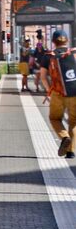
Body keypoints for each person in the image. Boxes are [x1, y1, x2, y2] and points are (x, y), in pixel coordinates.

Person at [42, 29, 76, 158]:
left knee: (55, 118)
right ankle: (71, 152)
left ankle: (64, 136)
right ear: (67, 40)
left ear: (53, 42)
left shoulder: (48, 55)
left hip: (58, 92)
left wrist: (48, 90)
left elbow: (43, 77)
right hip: (75, 92)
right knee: (74, 121)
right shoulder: (74, 53)